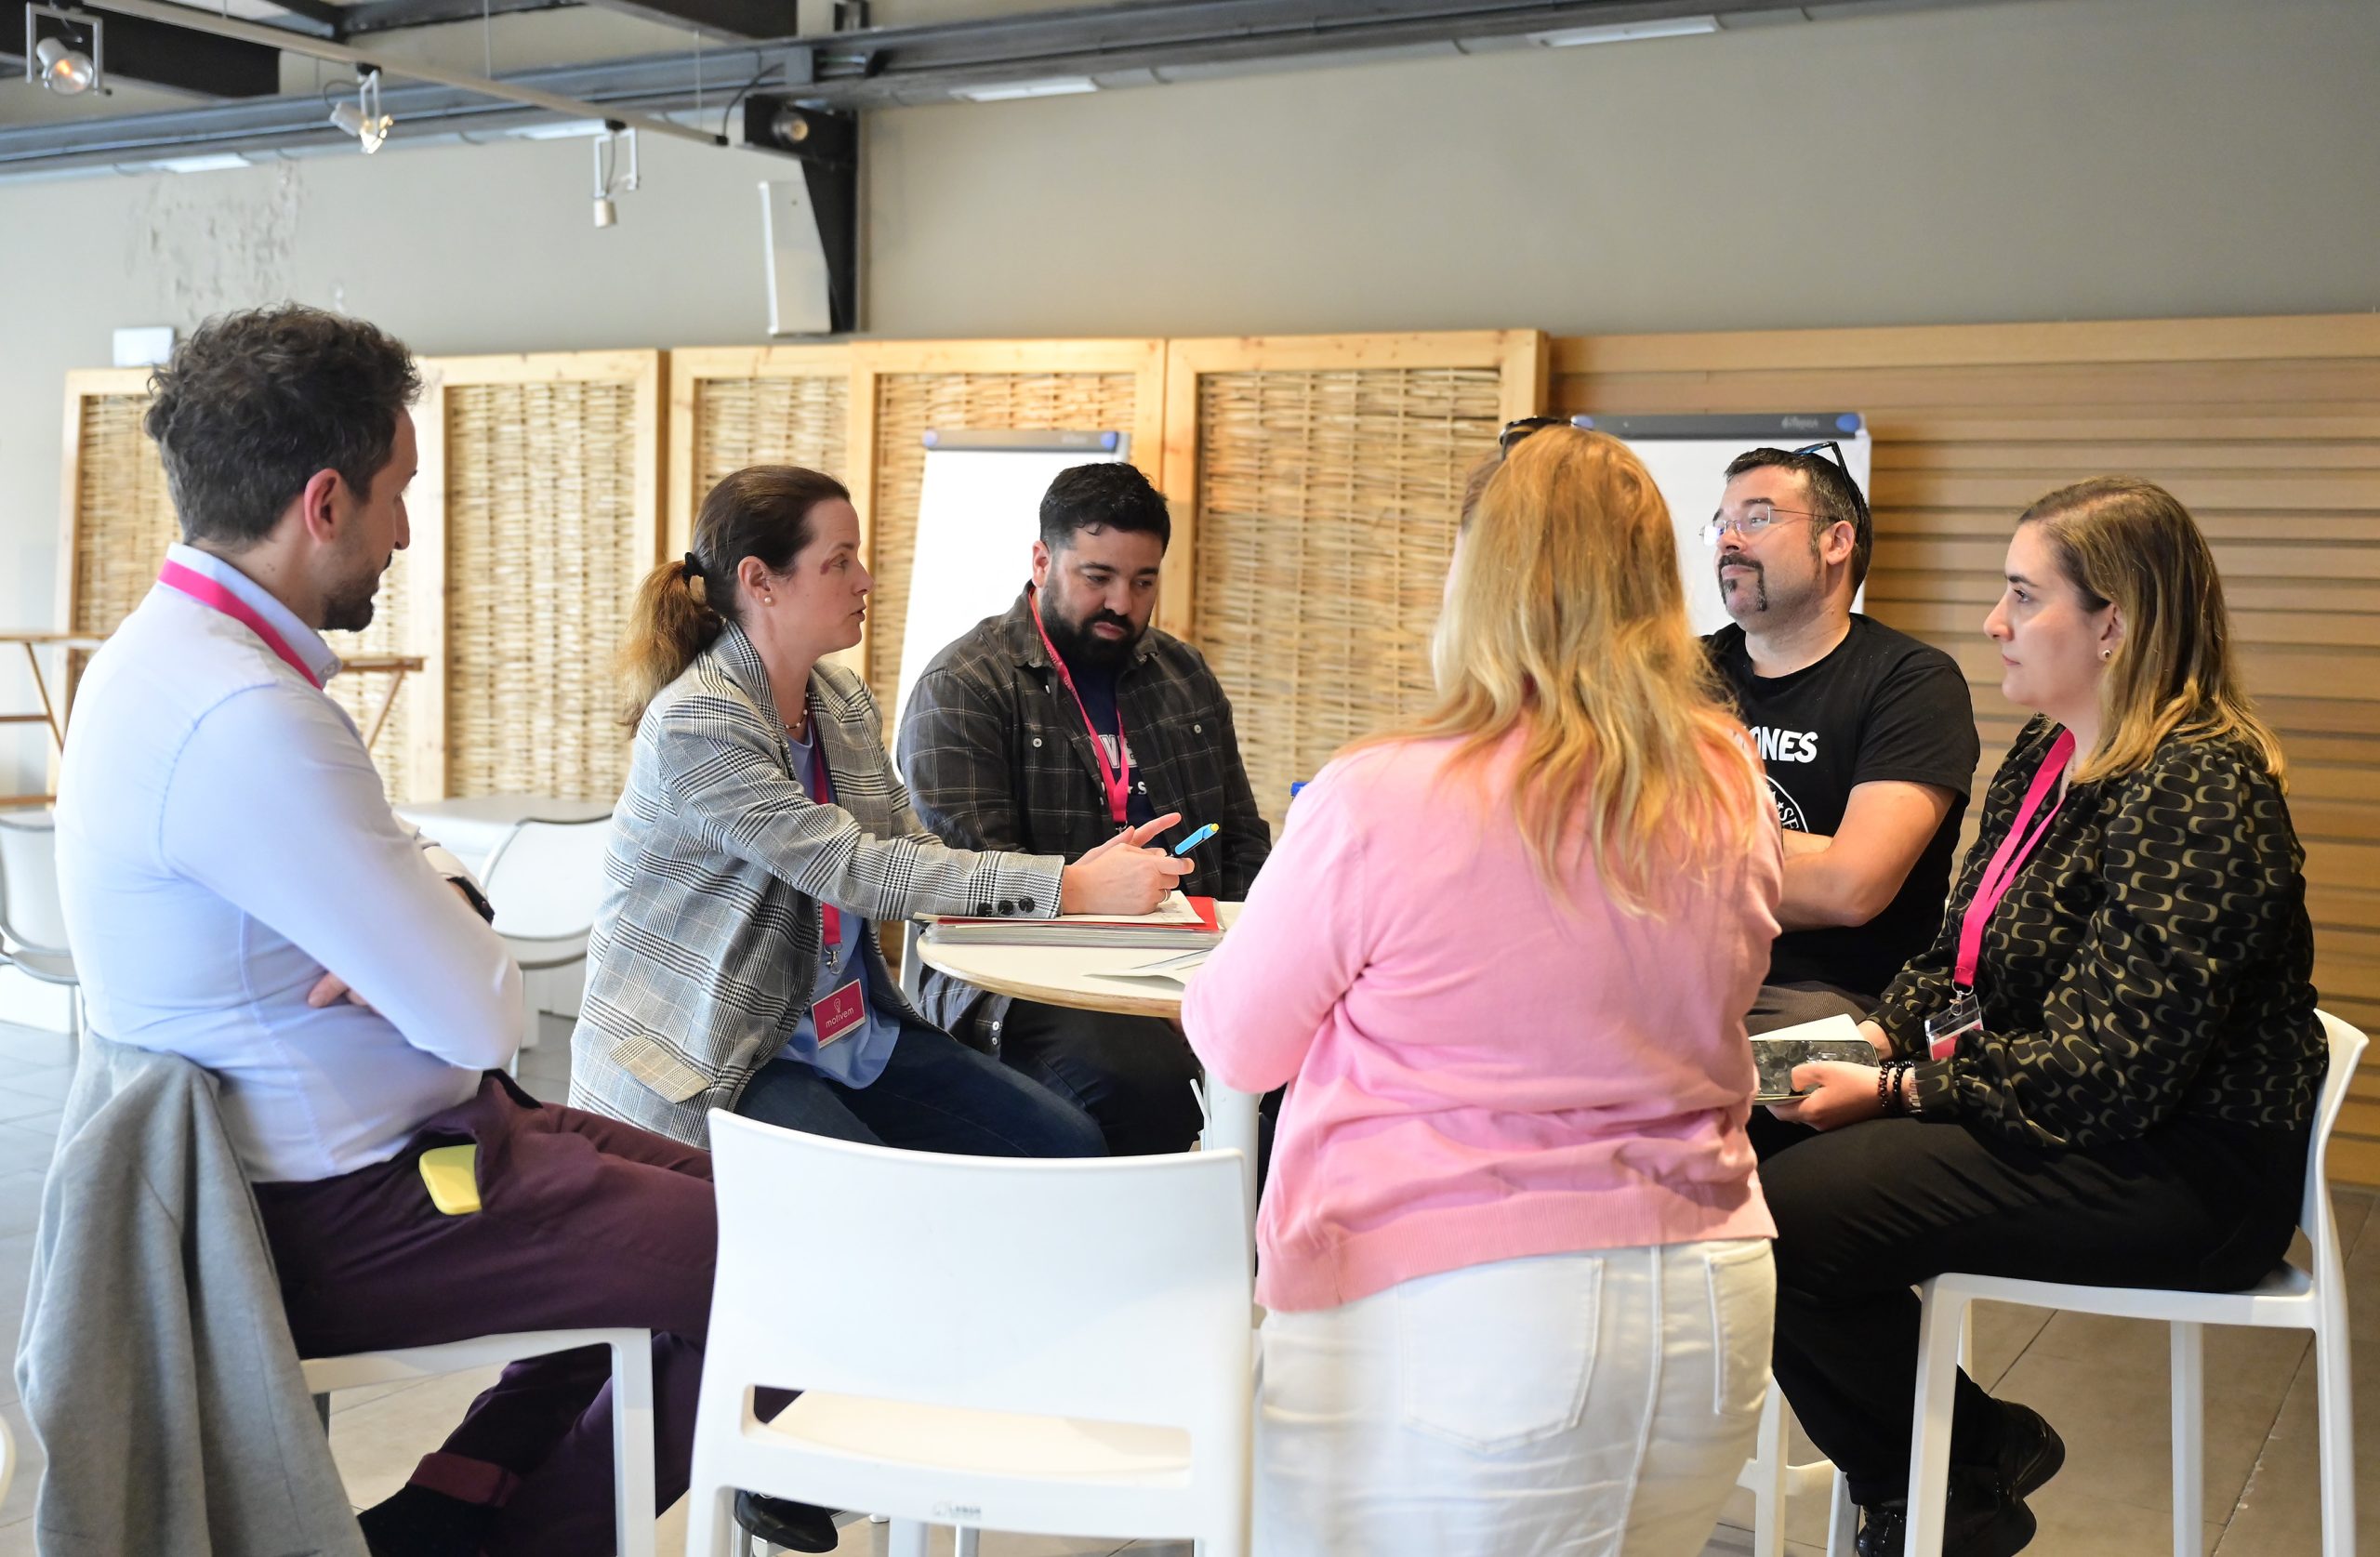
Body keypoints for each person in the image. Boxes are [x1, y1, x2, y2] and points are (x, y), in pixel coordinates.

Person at [50, 305, 820, 1556]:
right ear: (324, 502)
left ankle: (443, 1515)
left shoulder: (172, 662)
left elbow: (418, 862)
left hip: (423, 1148)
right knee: (807, 1277)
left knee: (794, 1218)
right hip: (359, 1201)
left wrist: (435, 898)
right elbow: (484, 1009)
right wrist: (440, 921)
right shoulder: (243, 714)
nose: (407, 531)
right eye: (399, 492)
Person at [1182, 425, 1784, 1556]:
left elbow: (1238, 1040)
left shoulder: (1384, 795)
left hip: (1463, 1311)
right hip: (1707, 1296)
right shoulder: (1725, 781)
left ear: (1479, 577)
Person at [1760, 478, 2327, 1557]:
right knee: (1741, 1136)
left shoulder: (2200, 786)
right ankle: (1964, 1458)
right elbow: (1959, 957)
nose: (1993, 622)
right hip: (2069, 1112)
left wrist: (1893, 1090)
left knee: (1790, 1220)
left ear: (2112, 624)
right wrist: (1872, 1037)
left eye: (2023, 596)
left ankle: (1933, 1484)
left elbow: (2110, 1074)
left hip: (2181, 1170)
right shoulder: (2051, 748)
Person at [569, 463, 1187, 1164]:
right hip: (722, 1052)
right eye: (839, 562)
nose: (864, 579)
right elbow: (854, 868)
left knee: (1066, 1141)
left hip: (846, 1031)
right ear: (760, 581)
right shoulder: (697, 721)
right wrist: (1071, 888)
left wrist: (1077, 901)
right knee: (882, 1202)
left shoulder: (839, 699)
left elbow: (915, 851)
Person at [898, 460, 1270, 1155]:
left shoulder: (1185, 676)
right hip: (1015, 983)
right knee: (1147, 1084)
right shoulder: (964, 687)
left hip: (1184, 968)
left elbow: (1243, 840)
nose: (1122, 604)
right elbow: (966, 886)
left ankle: (1253, 1253)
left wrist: (1245, 974)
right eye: (1097, 578)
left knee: (1300, 1063)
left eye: (1144, 581)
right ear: (1042, 561)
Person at [1703, 444, 1977, 1031]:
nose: (1730, 539)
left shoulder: (1911, 682)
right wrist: (1815, 849)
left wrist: (1674, 871)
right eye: (1722, 524)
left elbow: (1851, 888)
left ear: (1836, 542)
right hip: (1684, 971)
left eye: (1757, 518)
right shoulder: (1684, 670)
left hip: (1832, 997)